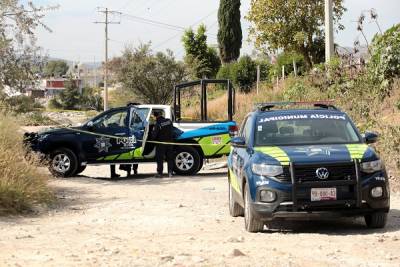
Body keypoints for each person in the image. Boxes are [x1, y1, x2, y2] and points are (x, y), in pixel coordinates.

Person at [151, 111, 174, 178]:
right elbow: (172, 130)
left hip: (161, 144)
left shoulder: (158, 124)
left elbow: (154, 135)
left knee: (160, 159)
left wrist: (152, 138)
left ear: (156, 116)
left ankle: (160, 173)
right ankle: (170, 173)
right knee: (170, 158)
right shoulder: (169, 121)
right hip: (170, 143)